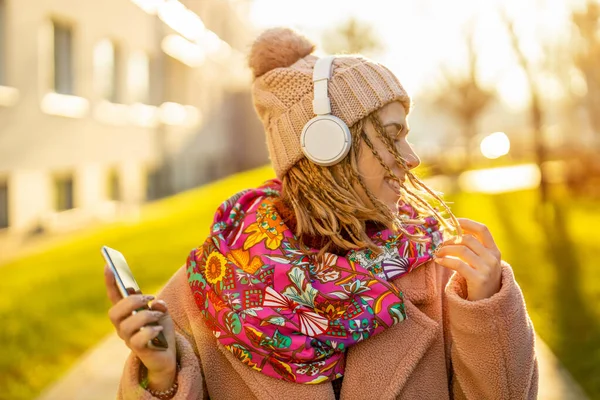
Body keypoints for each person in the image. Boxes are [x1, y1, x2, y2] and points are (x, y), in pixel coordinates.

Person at [105, 27, 538, 400]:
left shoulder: (444, 274)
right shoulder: (205, 292)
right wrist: (163, 377)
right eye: (390, 138)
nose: (412, 158)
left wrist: (487, 310)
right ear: (326, 147)